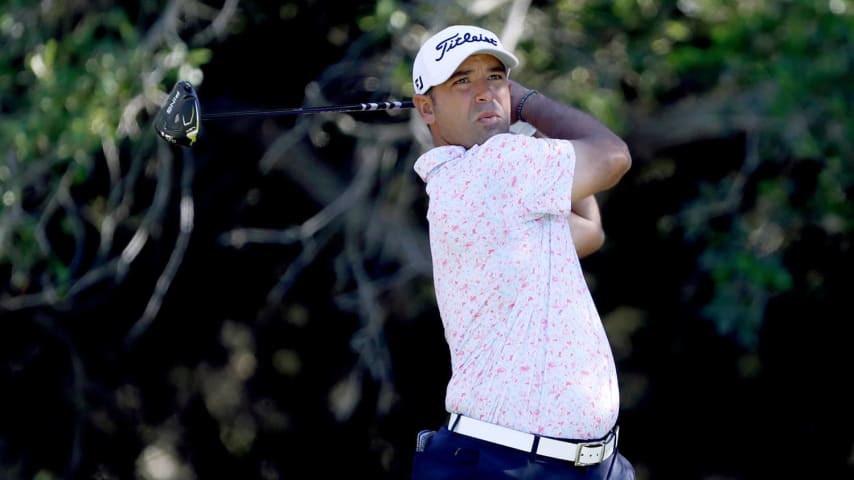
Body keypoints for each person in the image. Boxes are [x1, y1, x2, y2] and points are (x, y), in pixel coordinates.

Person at [409, 24, 635, 479]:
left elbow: (588, 230)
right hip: (508, 464)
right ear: (426, 107)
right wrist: (532, 105)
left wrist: (528, 131)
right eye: (461, 81)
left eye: (495, 78)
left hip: (577, 464)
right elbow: (613, 157)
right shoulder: (495, 169)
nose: (484, 92)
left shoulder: (483, 182)